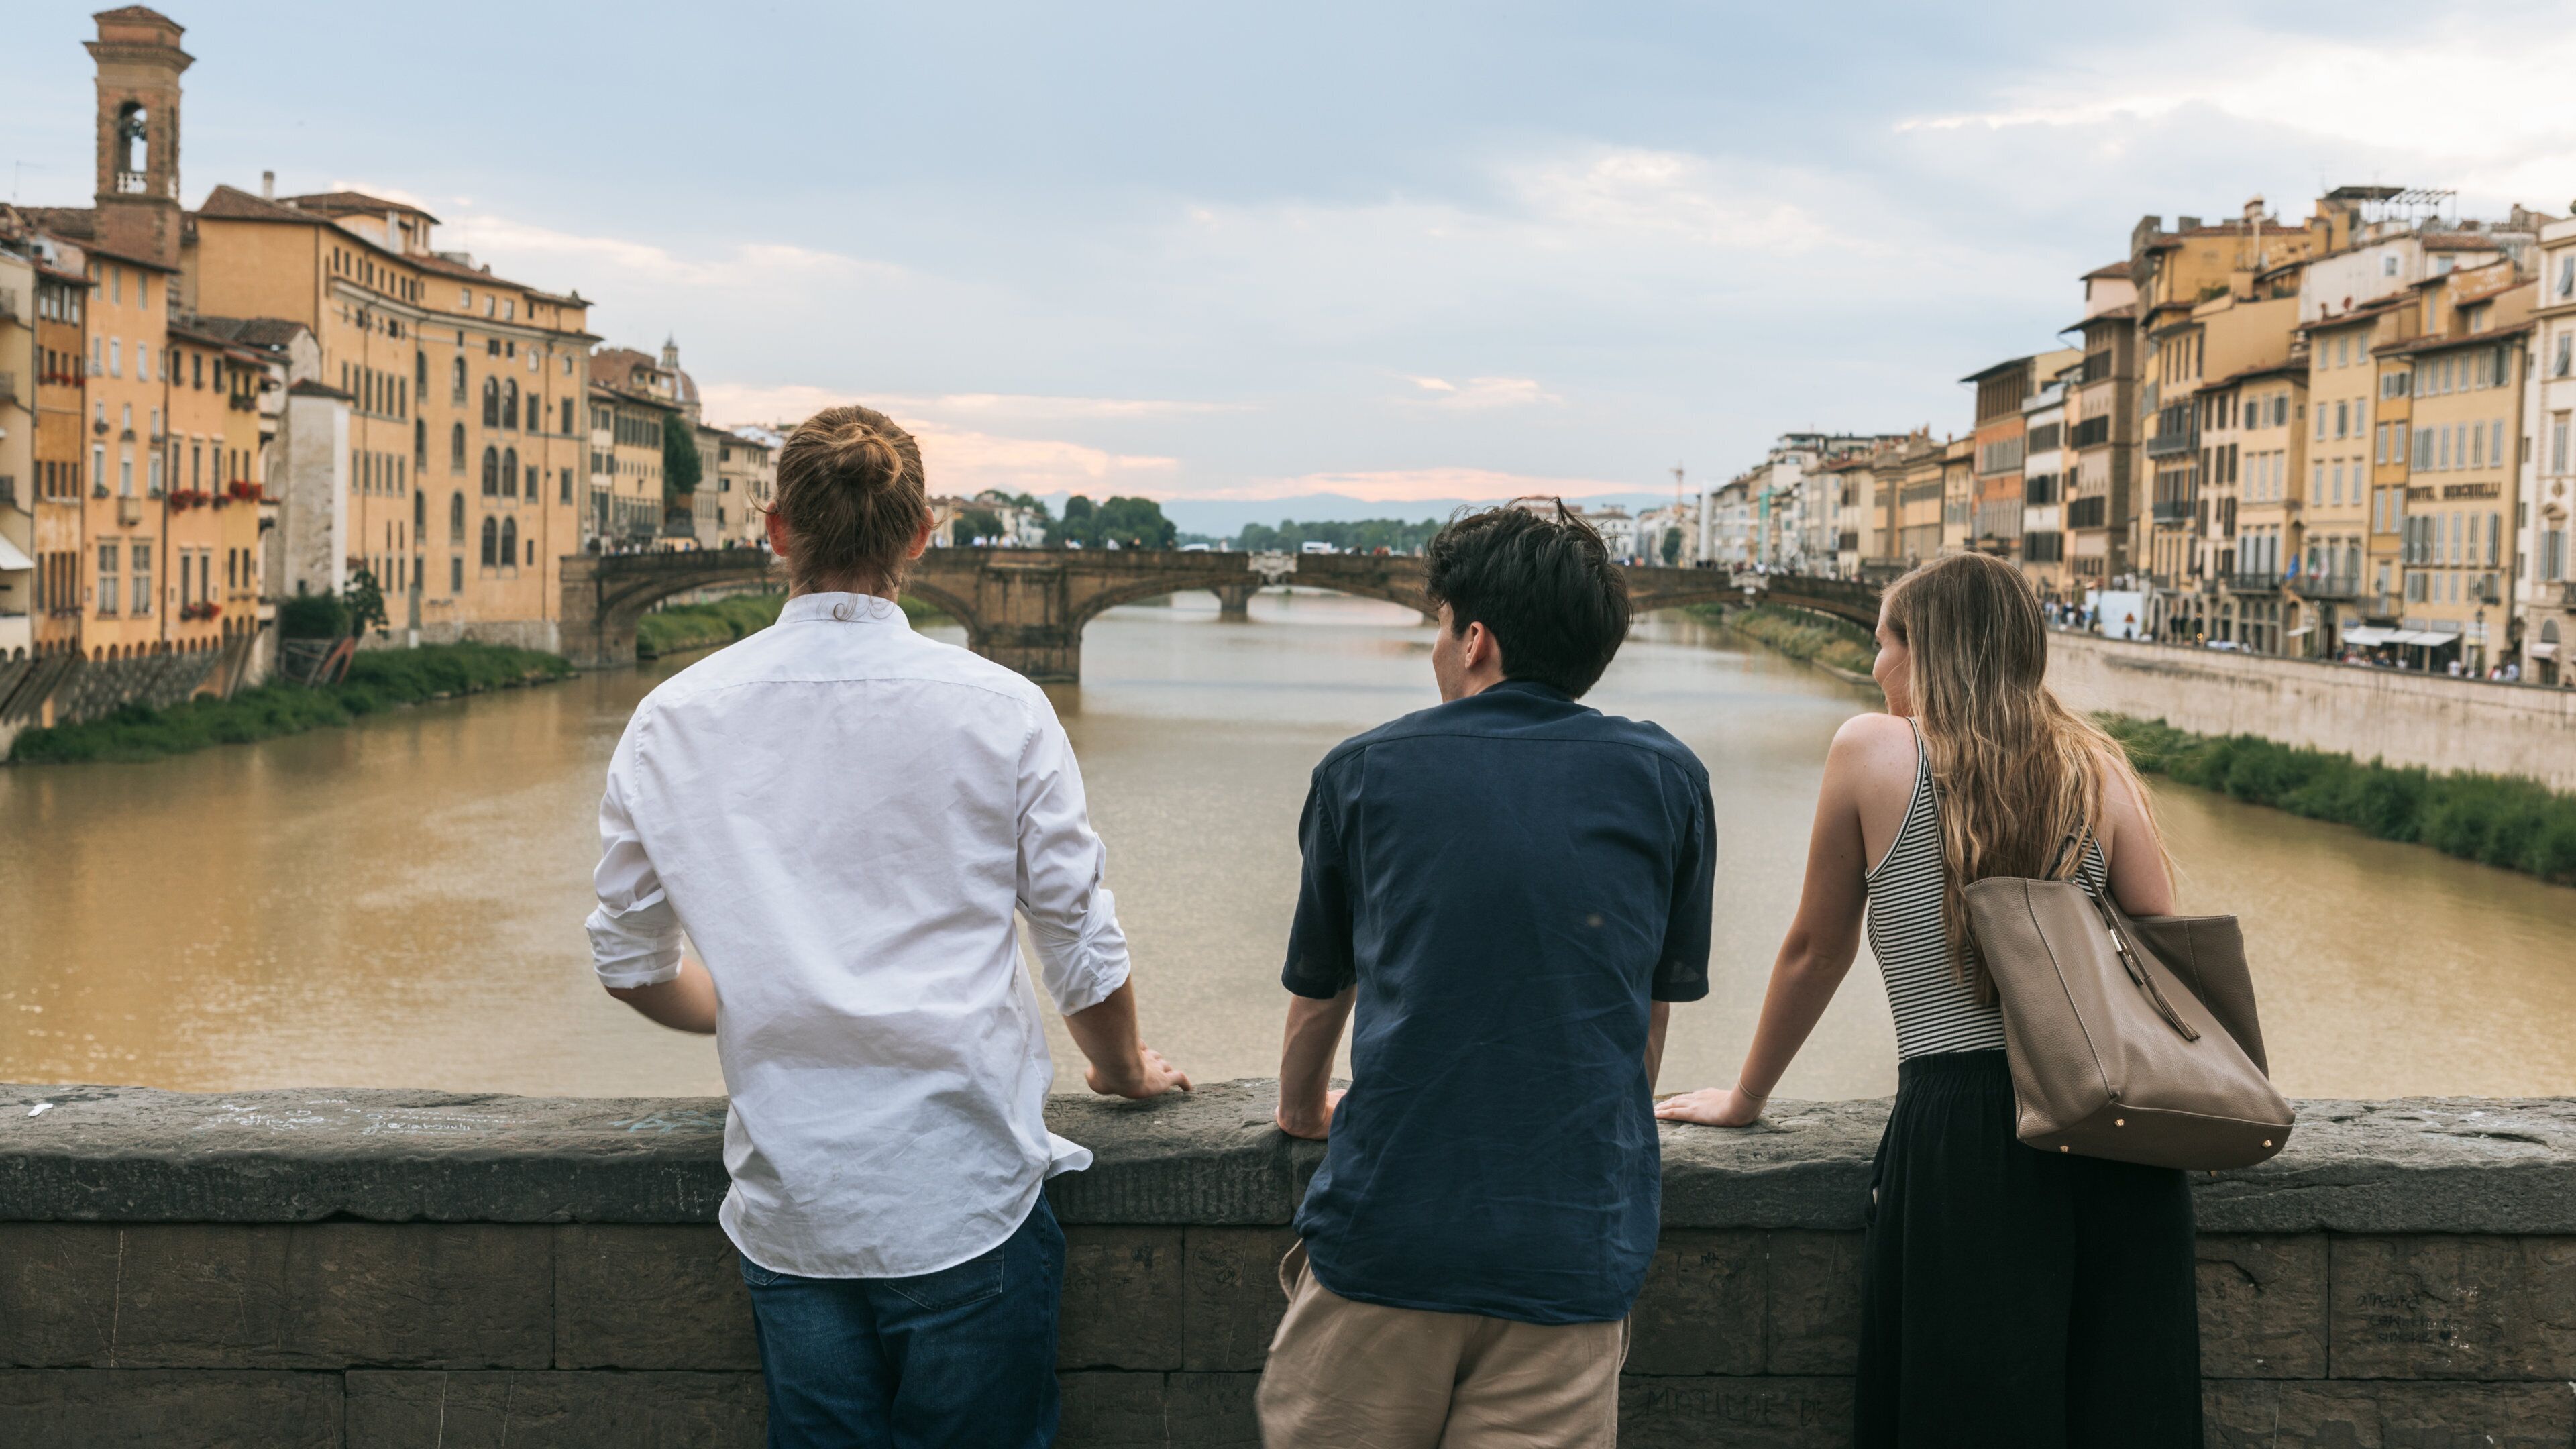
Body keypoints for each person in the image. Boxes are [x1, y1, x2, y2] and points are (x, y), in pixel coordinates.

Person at [586, 405, 1189, 1448]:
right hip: (965, 1197)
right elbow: (1076, 939)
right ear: (921, 537)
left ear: (773, 531)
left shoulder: (673, 717)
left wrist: (753, 1002)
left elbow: (628, 959)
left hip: (793, 1208)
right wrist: (1126, 1069)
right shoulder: (1003, 707)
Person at [1657, 551, 2200, 1446]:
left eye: (1882, 644)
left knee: (1963, 1408)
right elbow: (2163, 951)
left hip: (1964, 1128)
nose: (1875, 667)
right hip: (2115, 1130)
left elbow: (1813, 949)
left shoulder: (1870, 750)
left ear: (1928, 652)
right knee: (2120, 1406)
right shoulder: (2098, 769)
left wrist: (1746, 1098)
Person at [1257, 502, 1715, 1448]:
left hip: (1391, 1236)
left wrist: (1302, 1109)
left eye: (1439, 624)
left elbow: (1322, 991)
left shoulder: (1365, 770)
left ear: (1475, 639)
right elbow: (1645, 1015)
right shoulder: (1667, 778)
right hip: (1572, 1247)